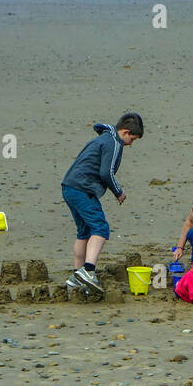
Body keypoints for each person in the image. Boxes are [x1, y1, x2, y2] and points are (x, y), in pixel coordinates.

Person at [60, 112, 143, 300]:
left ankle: (77, 274)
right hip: (82, 189)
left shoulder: (105, 137)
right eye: (132, 138)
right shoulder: (114, 143)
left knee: (84, 231)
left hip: (69, 186)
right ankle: (88, 270)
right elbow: (106, 172)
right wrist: (118, 192)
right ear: (126, 132)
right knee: (100, 228)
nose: (131, 143)